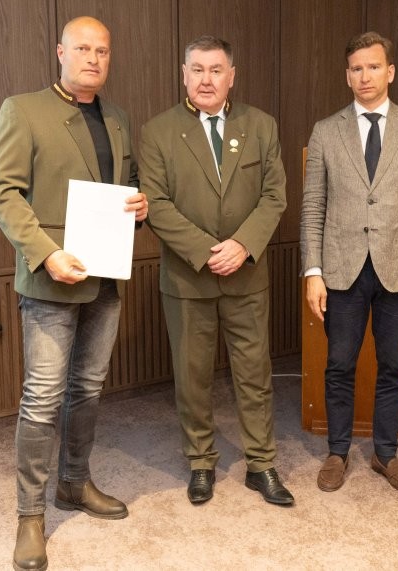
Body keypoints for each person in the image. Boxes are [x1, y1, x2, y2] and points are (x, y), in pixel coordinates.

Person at [0, 16, 148, 571]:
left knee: (87, 389)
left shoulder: (118, 118)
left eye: (102, 50)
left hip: (104, 278)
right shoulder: (23, 110)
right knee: (42, 397)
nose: (93, 59)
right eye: (83, 48)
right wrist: (47, 252)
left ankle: (74, 484)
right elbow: (3, 193)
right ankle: (29, 516)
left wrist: (139, 206)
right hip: (51, 278)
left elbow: (124, 187)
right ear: (60, 52)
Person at [139, 35, 292, 507]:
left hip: (247, 275)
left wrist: (243, 245)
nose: (206, 79)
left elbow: (274, 196)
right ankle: (200, 461)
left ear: (232, 76)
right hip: (189, 279)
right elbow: (156, 203)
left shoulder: (260, 125)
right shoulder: (158, 131)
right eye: (198, 69)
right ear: (184, 74)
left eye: (216, 69)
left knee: (254, 374)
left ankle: (261, 464)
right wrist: (208, 252)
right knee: (192, 377)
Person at [300, 31, 398, 495]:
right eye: (357, 68)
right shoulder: (326, 131)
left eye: (374, 67)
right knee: (339, 364)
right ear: (347, 76)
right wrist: (313, 271)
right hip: (340, 270)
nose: (365, 76)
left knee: (394, 366)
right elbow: (313, 206)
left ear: (390, 72)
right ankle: (337, 451)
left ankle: (386, 452)